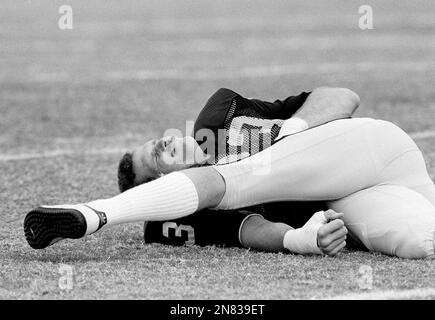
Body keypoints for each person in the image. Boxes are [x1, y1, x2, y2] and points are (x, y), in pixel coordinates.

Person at [24, 88, 435, 259]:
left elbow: (344, 96)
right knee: (422, 242)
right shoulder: (176, 220)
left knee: (234, 174)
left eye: (156, 144)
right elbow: (248, 230)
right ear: (163, 191)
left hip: (367, 147)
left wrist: (293, 129)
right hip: (357, 196)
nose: (166, 145)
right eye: (159, 162)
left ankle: (93, 214)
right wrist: (298, 238)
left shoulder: (220, 118)